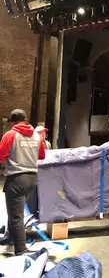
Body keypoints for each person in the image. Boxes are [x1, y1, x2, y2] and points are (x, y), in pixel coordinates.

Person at [0, 109, 45, 256]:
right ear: (25, 120)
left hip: (16, 180)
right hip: (32, 180)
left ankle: (21, 252)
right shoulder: (37, 137)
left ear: (12, 122)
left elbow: (1, 156)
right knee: (15, 212)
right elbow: (42, 155)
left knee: (16, 217)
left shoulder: (11, 135)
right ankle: (11, 238)